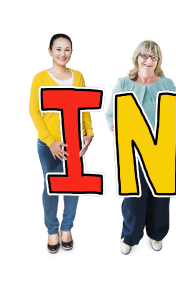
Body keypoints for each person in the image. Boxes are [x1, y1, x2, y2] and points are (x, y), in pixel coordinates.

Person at [105, 40, 176, 255]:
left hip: (161, 149)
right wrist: (113, 124)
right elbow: (110, 114)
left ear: (158, 61)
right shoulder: (123, 83)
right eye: (145, 55)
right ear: (137, 57)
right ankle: (130, 236)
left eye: (153, 57)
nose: (148, 60)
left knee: (159, 197)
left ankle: (157, 234)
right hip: (133, 151)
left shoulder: (167, 83)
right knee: (134, 198)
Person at [29, 34, 94, 254]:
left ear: (71, 52)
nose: (62, 54)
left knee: (73, 186)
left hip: (74, 143)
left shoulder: (78, 77)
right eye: (58, 49)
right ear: (50, 51)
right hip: (49, 146)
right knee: (51, 187)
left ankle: (67, 228)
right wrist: (51, 142)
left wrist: (88, 132)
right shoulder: (40, 78)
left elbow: (84, 106)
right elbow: (34, 111)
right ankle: (52, 230)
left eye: (67, 49)